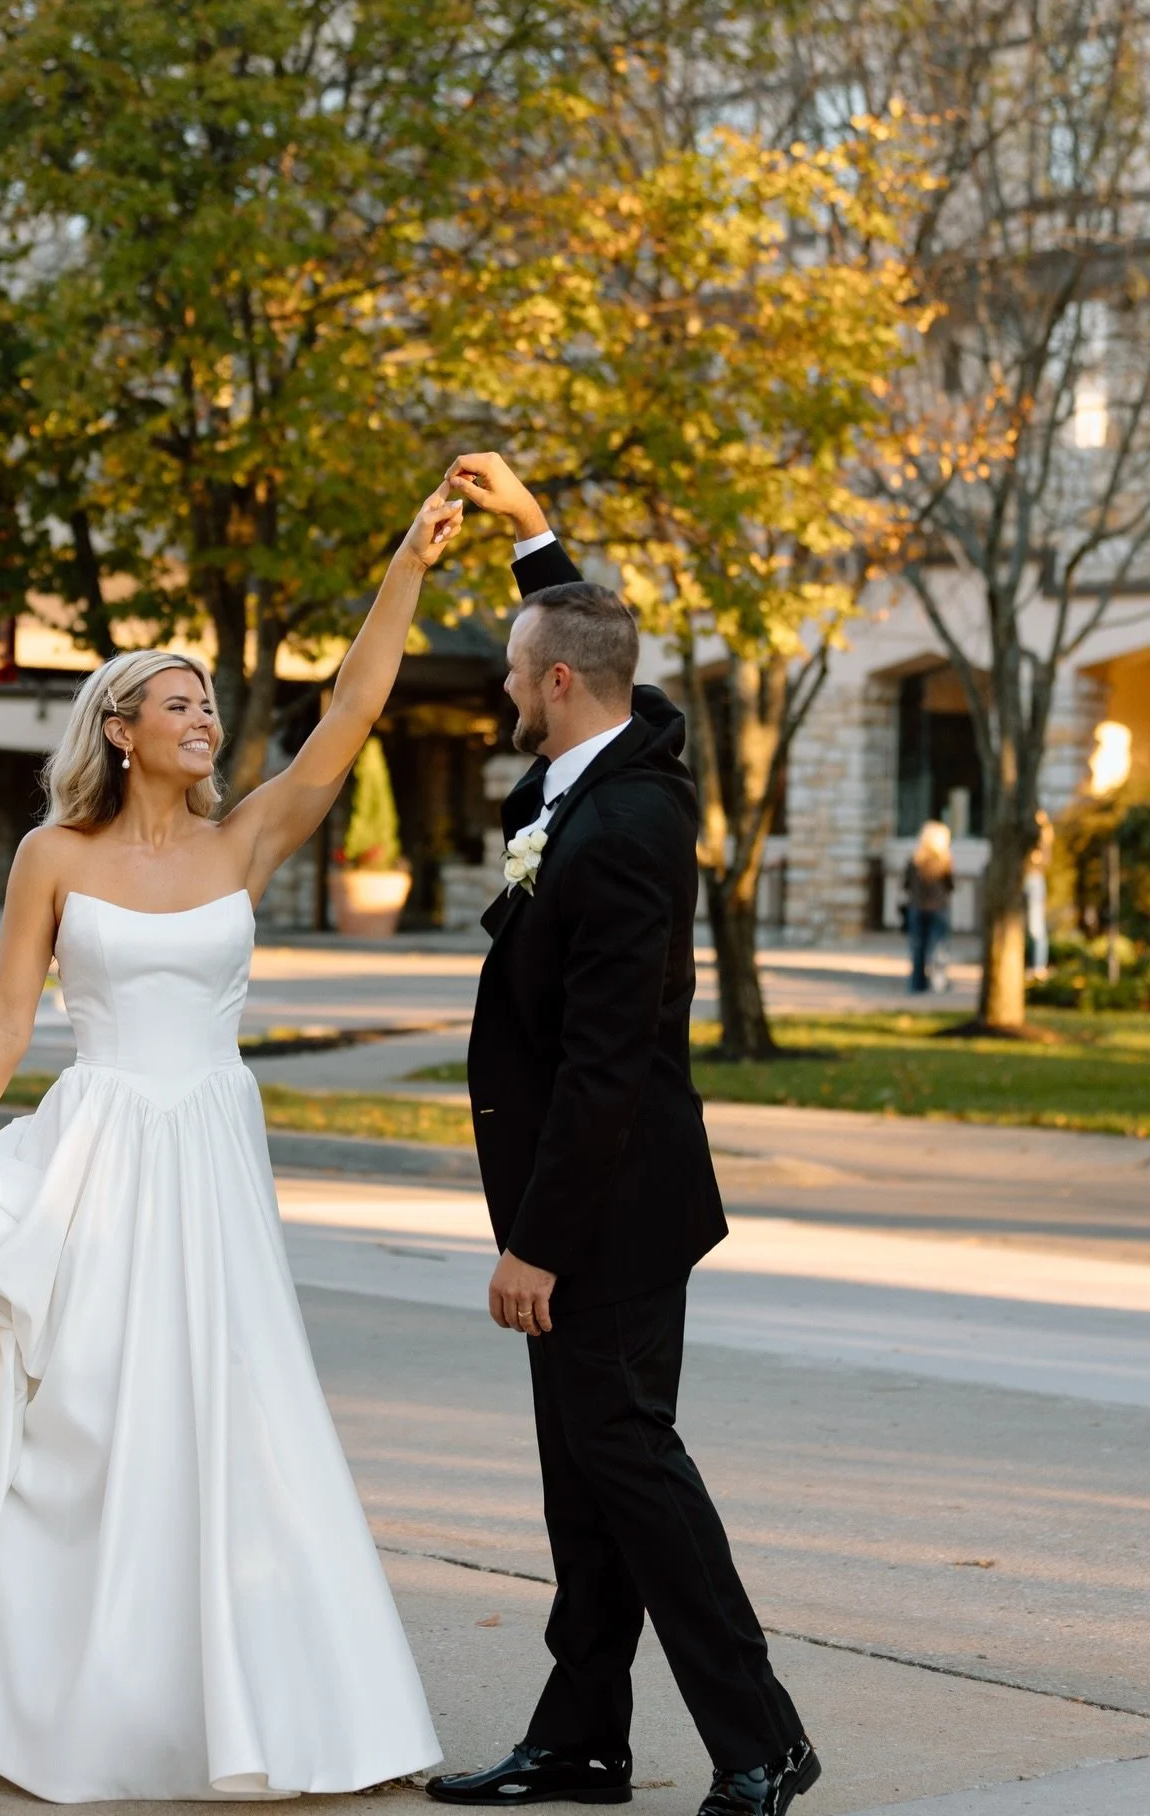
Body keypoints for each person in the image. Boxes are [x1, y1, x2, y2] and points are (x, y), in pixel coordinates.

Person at [0, 488, 465, 1802]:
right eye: (178, 702)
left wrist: (402, 564)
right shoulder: (51, 854)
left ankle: (234, 1691)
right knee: (85, 1418)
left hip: (212, 1154)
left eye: (208, 704)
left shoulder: (246, 839)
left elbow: (348, 714)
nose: (203, 719)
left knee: (224, 1408)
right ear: (118, 729)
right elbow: (9, 1011)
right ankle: (36, 1677)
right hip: (96, 1151)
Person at [425, 455, 818, 1816]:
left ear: (551, 688)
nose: (500, 688)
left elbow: (609, 1064)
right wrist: (533, 536)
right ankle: (583, 1738)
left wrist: (536, 1246)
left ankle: (760, 1739)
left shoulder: (633, 819)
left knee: (634, 1471)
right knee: (585, 1485)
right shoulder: (614, 751)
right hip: (591, 1203)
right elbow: (598, 642)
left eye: (514, 670)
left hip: (611, 1212)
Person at [903, 821, 955, 993]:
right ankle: (938, 982)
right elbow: (950, 885)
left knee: (918, 947)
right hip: (938, 907)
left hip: (917, 907)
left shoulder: (915, 859)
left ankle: (917, 983)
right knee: (939, 947)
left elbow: (906, 884)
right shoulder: (944, 860)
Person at [1025, 809, 1054, 980]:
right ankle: (1033, 965)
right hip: (1026, 880)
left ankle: (1039, 966)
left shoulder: (1043, 840)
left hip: (1034, 879)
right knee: (1028, 927)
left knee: (1036, 927)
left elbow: (1044, 861)